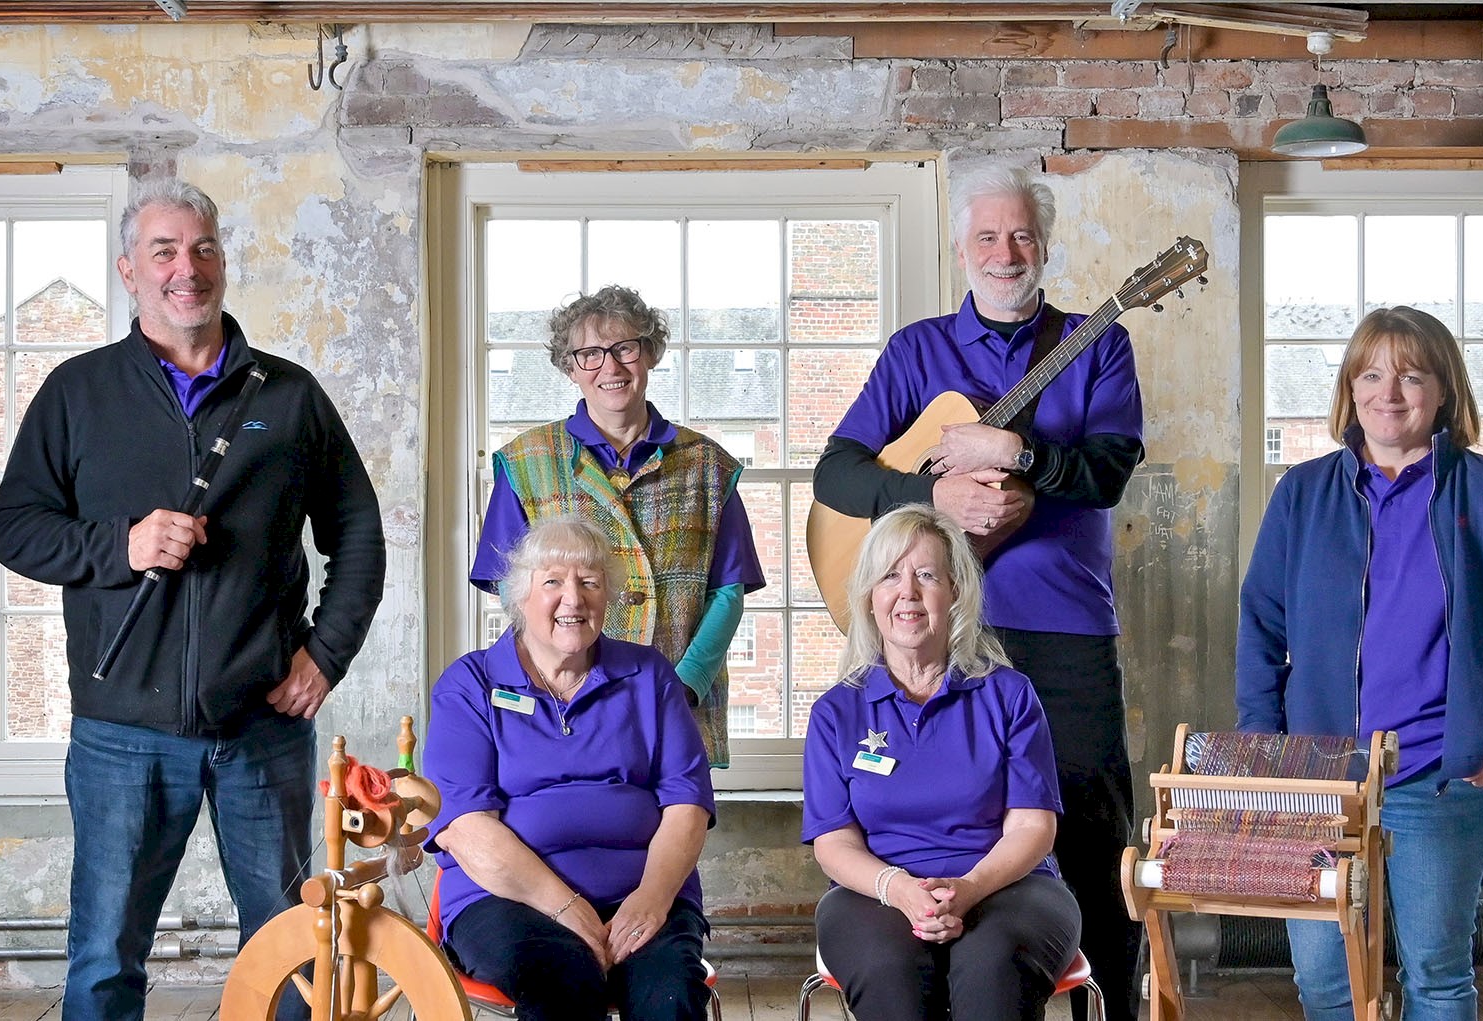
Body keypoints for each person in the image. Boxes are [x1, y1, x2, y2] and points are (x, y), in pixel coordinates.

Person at [0, 178, 386, 1021]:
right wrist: (120, 545)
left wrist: (324, 654)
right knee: (104, 954)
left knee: (292, 948)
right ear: (129, 270)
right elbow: (15, 528)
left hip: (262, 727)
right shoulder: (78, 391)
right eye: (165, 251)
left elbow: (358, 534)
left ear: (223, 264)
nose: (187, 268)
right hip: (120, 733)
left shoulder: (289, 395)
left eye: (203, 248)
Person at [812, 163, 1144, 1021]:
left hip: (1060, 621)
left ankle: (1102, 995)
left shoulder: (1096, 341)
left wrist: (1022, 458)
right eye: (988, 236)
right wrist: (931, 499)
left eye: (1023, 235)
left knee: (1093, 826)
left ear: (1046, 245)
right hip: (928, 636)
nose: (1006, 252)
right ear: (961, 246)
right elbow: (838, 472)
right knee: (936, 816)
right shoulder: (917, 351)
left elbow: (1109, 470)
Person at [1237, 306, 1483, 1021]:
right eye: (1372, 373)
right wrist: (1267, 749)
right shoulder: (1301, 496)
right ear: (1349, 389)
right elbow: (1262, 626)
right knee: (1324, 978)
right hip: (1319, 782)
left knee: (1438, 974)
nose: (1389, 392)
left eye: (1411, 375)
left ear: (1444, 390)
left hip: (1440, 780)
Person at [429, 517, 718, 1021]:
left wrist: (650, 900)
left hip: (643, 896)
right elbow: (466, 828)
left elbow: (687, 806)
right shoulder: (470, 685)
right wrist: (564, 907)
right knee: (563, 979)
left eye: (589, 581)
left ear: (607, 598)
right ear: (520, 597)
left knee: (668, 994)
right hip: (507, 902)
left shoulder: (649, 675)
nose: (573, 599)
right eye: (552, 582)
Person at [801, 504, 1080, 1021]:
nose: (906, 592)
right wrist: (901, 889)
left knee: (991, 967)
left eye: (926, 575)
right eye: (889, 576)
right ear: (870, 598)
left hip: (1009, 886)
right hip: (877, 892)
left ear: (955, 592)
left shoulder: (1010, 695)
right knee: (890, 973)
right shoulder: (835, 712)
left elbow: (1032, 826)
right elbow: (834, 843)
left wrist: (968, 889)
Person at [471, 284, 765, 766]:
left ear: (649, 354)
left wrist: (681, 686)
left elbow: (728, 593)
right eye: (589, 353)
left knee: (673, 834)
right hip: (563, 699)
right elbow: (510, 587)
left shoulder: (709, 466)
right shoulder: (524, 464)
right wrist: (568, 671)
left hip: (679, 704)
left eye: (625, 347)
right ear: (570, 368)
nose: (610, 366)